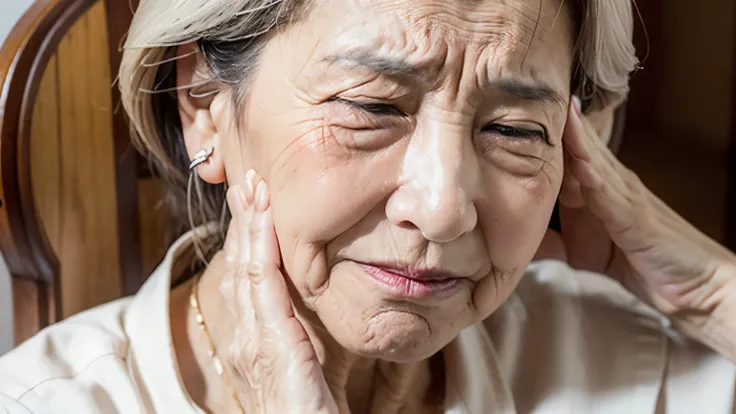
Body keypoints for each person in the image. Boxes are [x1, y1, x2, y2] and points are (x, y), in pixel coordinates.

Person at [1, 0, 735, 412]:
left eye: (514, 129)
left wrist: (712, 293)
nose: (444, 207)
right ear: (203, 103)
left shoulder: (616, 365)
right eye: (372, 107)